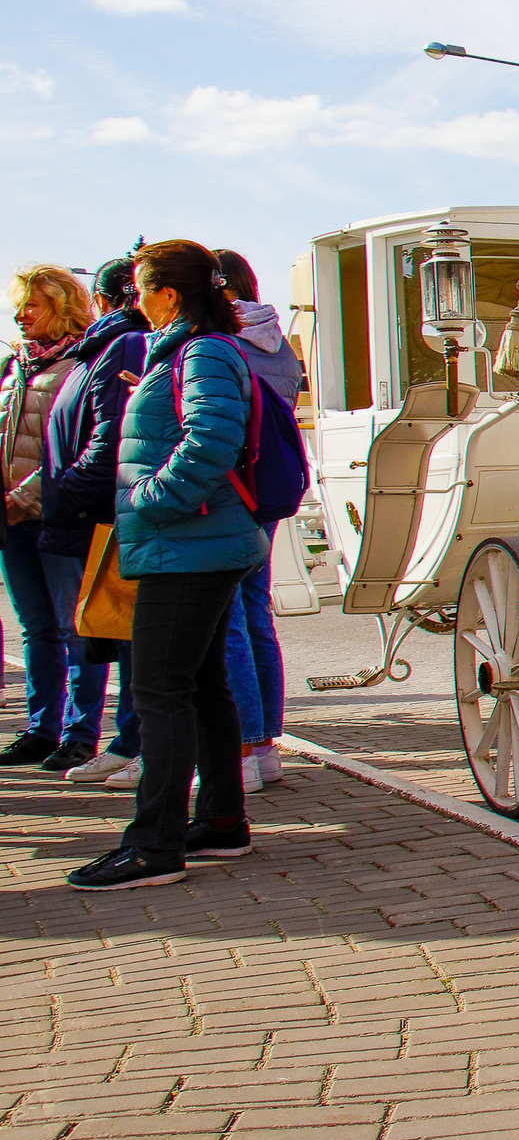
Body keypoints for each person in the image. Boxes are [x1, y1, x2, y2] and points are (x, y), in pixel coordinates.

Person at [67, 240, 261, 891]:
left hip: (186, 544)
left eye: (141, 289)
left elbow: (211, 438)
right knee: (199, 685)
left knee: (159, 691)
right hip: (193, 543)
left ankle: (155, 845)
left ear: (168, 294)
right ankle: (222, 822)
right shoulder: (187, 351)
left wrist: (152, 498)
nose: (136, 301)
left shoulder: (201, 352)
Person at [36, 255, 147, 782]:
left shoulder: (120, 344)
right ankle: (126, 741)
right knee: (104, 633)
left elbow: (109, 438)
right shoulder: (97, 348)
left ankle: (132, 742)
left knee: (120, 636)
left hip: (96, 512)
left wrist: (63, 496)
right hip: (84, 509)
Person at [2, 265, 96, 770]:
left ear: (61, 307)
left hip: (56, 516)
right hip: (12, 520)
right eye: (18, 306)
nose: (21, 316)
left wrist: (25, 495)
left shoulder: (80, 364)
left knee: (74, 627)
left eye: (31, 306)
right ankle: (41, 730)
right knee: (35, 628)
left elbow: (74, 447)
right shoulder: (13, 366)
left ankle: (81, 734)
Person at [212, 249, 298, 792]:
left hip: (233, 487)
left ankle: (242, 747)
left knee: (230, 618)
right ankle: (265, 745)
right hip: (270, 485)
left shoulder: (222, 342)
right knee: (255, 610)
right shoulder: (278, 342)